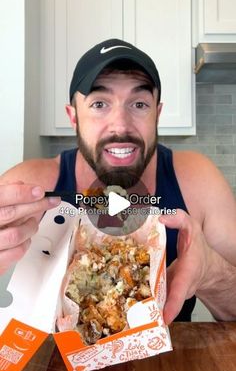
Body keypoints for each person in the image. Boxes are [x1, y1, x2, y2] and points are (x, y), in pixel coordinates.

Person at [0, 38, 236, 324]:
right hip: (53, 365)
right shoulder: (30, 186)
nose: (121, 125)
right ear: (73, 116)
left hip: (166, 366)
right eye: (99, 103)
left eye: (139, 103)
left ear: (157, 114)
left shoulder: (197, 181)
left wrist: (212, 273)